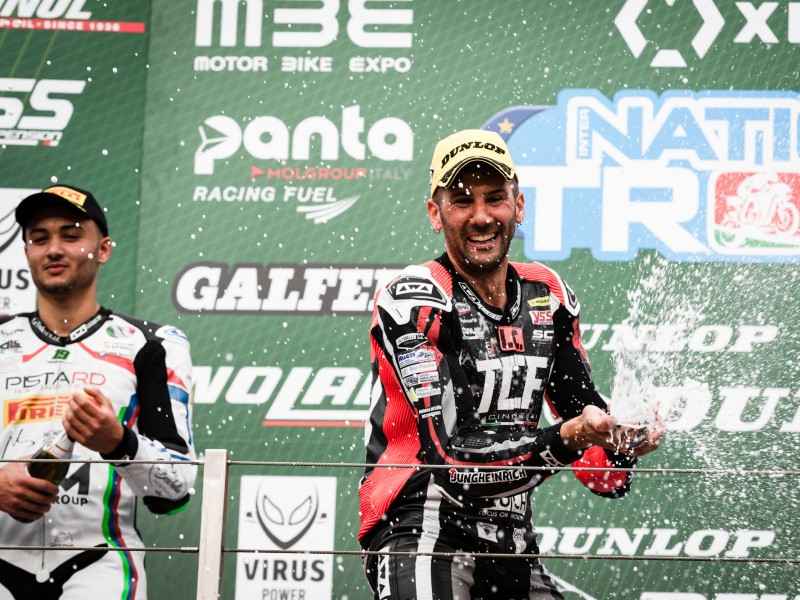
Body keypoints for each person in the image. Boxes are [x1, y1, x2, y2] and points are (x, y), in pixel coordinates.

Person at [358, 130, 665, 600]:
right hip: (420, 529)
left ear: (518, 206)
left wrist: (621, 441)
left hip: (512, 543)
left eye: (495, 198)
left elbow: (601, 474)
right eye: (462, 201)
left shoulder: (549, 295)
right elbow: (452, 461)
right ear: (435, 214)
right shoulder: (415, 298)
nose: (481, 217)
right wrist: (571, 437)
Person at [0, 185, 196, 600]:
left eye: (71, 235)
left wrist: (118, 442)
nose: (54, 249)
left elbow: (176, 491)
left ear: (103, 249)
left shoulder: (152, 344)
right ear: (27, 252)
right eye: (40, 238)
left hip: (100, 566)